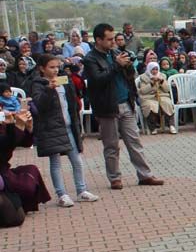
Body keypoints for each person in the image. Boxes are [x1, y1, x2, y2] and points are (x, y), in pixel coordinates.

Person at [83, 23, 163, 190]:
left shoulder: (116, 53)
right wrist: (116, 65)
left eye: (114, 38)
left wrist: (127, 66)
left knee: (135, 142)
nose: (113, 42)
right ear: (98, 40)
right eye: (109, 39)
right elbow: (98, 80)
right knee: (111, 145)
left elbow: (129, 76)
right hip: (107, 107)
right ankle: (115, 178)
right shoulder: (90, 59)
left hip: (126, 102)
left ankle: (145, 175)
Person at [29, 55, 99, 207]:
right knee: (55, 162)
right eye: (51, 67)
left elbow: (72, 101)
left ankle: (81, 190)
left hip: (68, 126)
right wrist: (49, 89)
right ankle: (62, 194)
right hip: (51, 128)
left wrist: (76, 122)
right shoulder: (38, 84)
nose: (55, 70)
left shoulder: (63, 80)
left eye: (57, 67)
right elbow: (40, 105)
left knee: (77, 160)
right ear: (42, 68)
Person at [0, 107, 51, 214]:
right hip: (2, 174)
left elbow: (25, 143)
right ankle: (15, 205)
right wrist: (17, 126)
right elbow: (7, 144)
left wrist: (28, 127)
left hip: (5, 170)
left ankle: (22, 205)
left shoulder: (3, 123)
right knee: (26, 185)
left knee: (32, 170)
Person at [135, 62, 176, 135]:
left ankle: (171, 125)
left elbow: (167, 89)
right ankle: (152, 127)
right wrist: (151, 83)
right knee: (150, 106)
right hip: (148, 97)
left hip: (162, 95)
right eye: (153, 69)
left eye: (156, 69)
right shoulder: (143, 77)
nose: (155, 71)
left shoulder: (162, 76)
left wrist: (162, 81)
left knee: (167, 103)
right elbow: (143, 91)